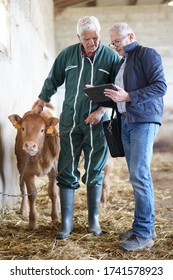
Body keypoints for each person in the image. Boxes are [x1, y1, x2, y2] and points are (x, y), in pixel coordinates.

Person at [33, 16, 120, 239]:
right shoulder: (68, 55)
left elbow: (118, 89)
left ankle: (93, 221)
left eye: (95, 37)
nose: (92, 42)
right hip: (71, 122)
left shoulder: (111, 57)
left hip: (98, 124)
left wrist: (101, 111)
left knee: (94, 169)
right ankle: (67, 222)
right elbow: (53, 78)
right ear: (78, 37)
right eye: (86, 38)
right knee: (66, 167)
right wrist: (42, 99)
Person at [104, 22, 167, 251]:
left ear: (130, 36)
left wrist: (129, 96)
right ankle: (141, 226)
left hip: (143, 120)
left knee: (140, 175)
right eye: (112, 43)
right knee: (135, 176)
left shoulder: (146, 54)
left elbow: (160, 86)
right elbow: (121, 95)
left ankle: (144, 233)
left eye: (117, 42)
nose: (115, 46)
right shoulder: (124, 62)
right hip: (126, 122)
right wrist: (103, 93)